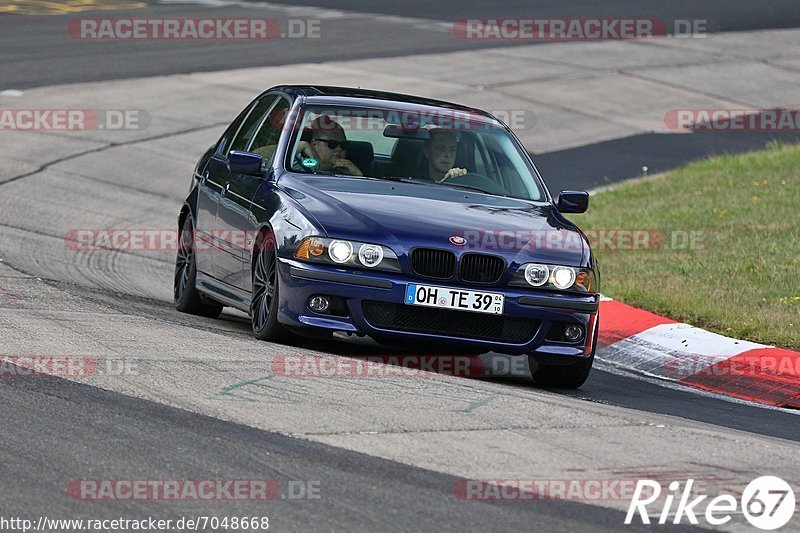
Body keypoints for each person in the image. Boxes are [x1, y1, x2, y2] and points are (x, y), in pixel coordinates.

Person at [295, 116, 363, 176]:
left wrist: (357, 174)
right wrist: (305, 145)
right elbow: (286, 153)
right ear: (314, 144)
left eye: (343, 145)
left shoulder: (348, 170)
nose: (339, 149)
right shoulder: (302, 163)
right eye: (332, 144)